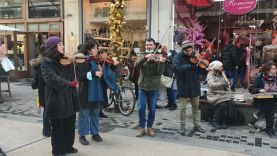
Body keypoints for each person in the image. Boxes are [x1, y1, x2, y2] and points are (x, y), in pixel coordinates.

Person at [41, 36, 90, 156]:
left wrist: (83, 63)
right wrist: (69, 83)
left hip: (69, 98)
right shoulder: (46, 62)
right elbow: (51, 78)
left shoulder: (66, 60)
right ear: (53, 47)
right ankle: (58, 150)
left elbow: (78, 72)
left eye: (63, 44)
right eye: (60, 44)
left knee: (69, 124)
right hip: (56, 98)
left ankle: (68, 146)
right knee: (58, 126)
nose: (63, 46)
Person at [173, 40, 205, 135]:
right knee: (182, 108)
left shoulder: (195, 56)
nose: (189, 52)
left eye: (191, 50)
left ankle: (197, 125)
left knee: (196, 107)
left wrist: (201, 65)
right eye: (187, 51)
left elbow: (201, 71)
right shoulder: (177, 57)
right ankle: (182, 125)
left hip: (194, 84)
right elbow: (175, 68)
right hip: (183, 85)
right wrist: (189, 66)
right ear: (183, 50)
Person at [135, 38, 166, 137]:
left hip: (154, 87)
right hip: (142, 87)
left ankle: (149, 127)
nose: (149, 46)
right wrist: (145, 57)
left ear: (154, 46)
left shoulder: (159, 56)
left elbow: (159, 73)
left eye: (151, 45)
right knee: (141, 108)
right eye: (147, 45)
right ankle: (141, 127)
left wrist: (161, 63)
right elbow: (136, 65)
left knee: (152, 109)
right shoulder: (141, 55)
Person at [249, 62, 277, 138]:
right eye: (273, 69)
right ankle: (270, 129)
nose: (276, 70)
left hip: (274, 99)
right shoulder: (260, 78)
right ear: (268, 71)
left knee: (271, 106)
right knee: (270, 108)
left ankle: (269, 128)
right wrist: (259, 90)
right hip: (263, 100)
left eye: (275, 68)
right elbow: (251, 89)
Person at [206, 61, 235, 130]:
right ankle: (215, 121)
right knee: (222, 104)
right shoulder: (210, 74)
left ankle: (224, 121)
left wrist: (229, 83)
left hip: (222, 94)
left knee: (230, 102)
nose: (222, 68)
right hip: (213, 95)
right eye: (220, 67)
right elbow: (211, 85)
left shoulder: (221, 73)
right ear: (216, 67)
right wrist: (222, 83)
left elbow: (226, 85)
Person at [29, 45, 51, 137]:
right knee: (47, 110)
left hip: (42, 91)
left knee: (46, 109)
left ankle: (46, 129)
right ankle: (46, 130)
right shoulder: (45, 63)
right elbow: (45, 79)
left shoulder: (38, 63)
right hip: (46, 90)